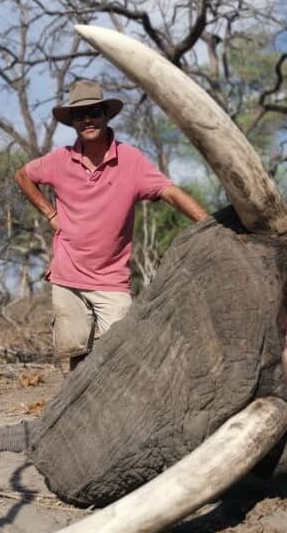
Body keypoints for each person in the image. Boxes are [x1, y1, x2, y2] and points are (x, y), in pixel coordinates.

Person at [15, 79, 208, 372]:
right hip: (68, 276)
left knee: (124, 355)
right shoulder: (59, 160)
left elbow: (170, 192)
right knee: (74, 356)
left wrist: (210, 225)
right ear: (73, 123)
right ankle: (77, 414)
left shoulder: (131, 161)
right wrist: (50, 214)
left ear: (106, 115)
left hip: (111, 280)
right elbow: (23, 176)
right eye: (80, 115)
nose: (87, 119)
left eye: (94, 112)